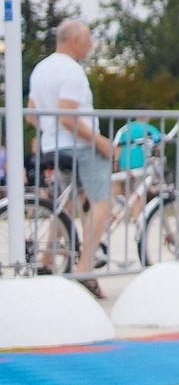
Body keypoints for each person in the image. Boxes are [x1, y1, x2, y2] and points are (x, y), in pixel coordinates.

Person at [29, 20, 114, 295]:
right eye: (88, 40)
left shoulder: (41, 69)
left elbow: (32, 113)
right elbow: (68, 117)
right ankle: (84, 267)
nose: (90, 45)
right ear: (75, 41)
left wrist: (49, 131)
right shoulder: (72, 71)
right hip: (78, 146)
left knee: (64, 205)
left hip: (52, 146)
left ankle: (46, 258)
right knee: (102, 201)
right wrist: (100, 141)